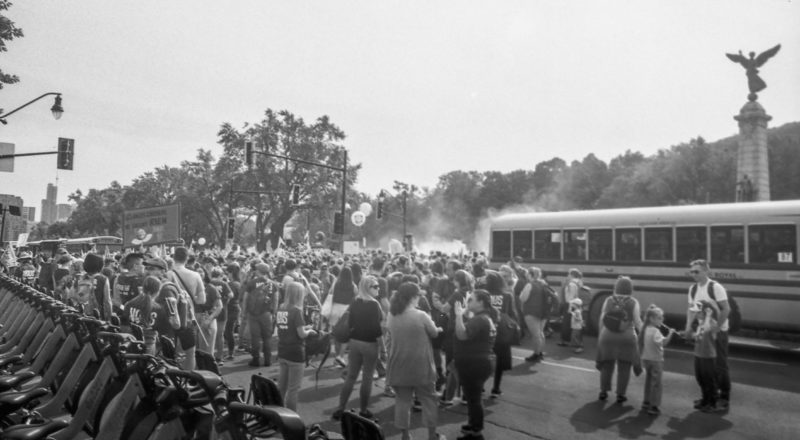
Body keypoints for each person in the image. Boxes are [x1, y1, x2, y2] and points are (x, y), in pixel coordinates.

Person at [386, 282, 445, 440]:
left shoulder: (392, 314)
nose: (420, 298)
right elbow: (433, 333)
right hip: (421, 365)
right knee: (429, 400)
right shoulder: (421, 315)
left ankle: (405, 436)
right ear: (413, 297)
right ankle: (432, 436)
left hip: (398, 363)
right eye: (419, 295)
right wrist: (438, 328)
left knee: (403, 402)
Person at [332, 275, 383, 421]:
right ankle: (364, 410)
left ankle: (340, 408)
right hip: (369, 344)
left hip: (355, 342)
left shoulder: (355, 302)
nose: (378, 288)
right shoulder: (374, 304)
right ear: (367, 287)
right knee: (367, 378)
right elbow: (377, 330)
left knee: (351, 377)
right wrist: (383, 348)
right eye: (375, 286)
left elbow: (351, 323)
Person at [684, 259, 732, 410]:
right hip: (702, 332)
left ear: (706, 271)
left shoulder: (715, 287)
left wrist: (717, 328)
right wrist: (688, 327)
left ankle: (723, 398)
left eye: (696, 271)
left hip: (718, 332)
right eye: (691, 272)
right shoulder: (693, 289)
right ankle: (707, 397)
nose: (693, 274)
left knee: (720, 365)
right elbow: (692, 309)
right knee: (704, 368)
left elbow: (726, 309)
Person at [453, 289, 496, 440]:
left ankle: (476, 431)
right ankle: (473, 424)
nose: (468, 301)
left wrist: (458, 316)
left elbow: (462, 335)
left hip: (475, 363)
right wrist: (465, 313)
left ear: (481, 303)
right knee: (473, 397)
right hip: (481, 362)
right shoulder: (484, 317)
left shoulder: (480, 319)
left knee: (474, 398)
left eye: (471, 299)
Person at [596, 276, 642, 404]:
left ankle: (603, 392)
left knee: (607, 364)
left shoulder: (609, 300)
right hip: (627, 337)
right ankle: (620, 395)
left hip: (607, 336)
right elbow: (637, 322)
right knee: (624, 366)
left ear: (616, 287)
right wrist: (645, 334)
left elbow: (602, 319)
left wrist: (601, 334)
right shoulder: (633, 302)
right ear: (630, 288)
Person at [276, 281, 317, 411]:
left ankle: (278, 411)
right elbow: (301, 334)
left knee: (281, 387)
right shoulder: (297, 310)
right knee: (293, 389)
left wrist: (305, 328)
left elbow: (288, 327)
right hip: (295, 352)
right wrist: (309, 331)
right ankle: (292, 418)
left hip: (282, 349)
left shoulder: (282, 307)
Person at [166, 247, 206, 371]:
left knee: (169, 352)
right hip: (188, 317)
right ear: (187, 258)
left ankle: (170, 377)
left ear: (173, 257)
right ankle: (188, 378)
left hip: (171, 316)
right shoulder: (195, 275)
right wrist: (189, 297)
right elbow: (201, 300)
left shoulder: (168, 274)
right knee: (190, 353)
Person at [639, 305, 677, 416]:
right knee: (657, 383)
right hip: (656, 360)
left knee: (649, 380)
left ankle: (646, 401)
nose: (662, 320)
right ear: (651, 319)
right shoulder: (655, 331)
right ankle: (653, 405)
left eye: (662, 317)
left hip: (646, 359)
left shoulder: (645, 329)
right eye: (659, 318)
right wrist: (670, 333)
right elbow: (663, 343)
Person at [483, 270, 515, 398]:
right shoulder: (507, 296)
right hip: (501, 332)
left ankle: (480, 386)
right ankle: (496, 388)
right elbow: (513, 314)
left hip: (484, 330)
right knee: (500, 361)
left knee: (483, 358)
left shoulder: (483, 295)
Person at [243, 263, 279, 367]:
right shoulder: (273, 284)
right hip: (266, 314)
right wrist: (274, 313)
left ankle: (256, 359)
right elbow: (275, 300)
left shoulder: (251, 283)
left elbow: (246, 298)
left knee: (255, 337)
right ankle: (267, 360)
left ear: (258, 271)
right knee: (267, 338)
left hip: (253, 314)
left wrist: (244, 312)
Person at [690, 300, 721, 413]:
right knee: (700, 378)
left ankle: (712, 403)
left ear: (706, 312)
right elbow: (700, 336)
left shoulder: (711, 323)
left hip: (708, 357)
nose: (696, 314)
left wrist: (708, 316)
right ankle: (705, 399)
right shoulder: (701, 323)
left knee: (709, 380)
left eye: (698, 312)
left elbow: (707, 329)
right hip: (699, 355)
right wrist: (693, 335)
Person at [326, 265, 357, 367]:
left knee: (336, 334)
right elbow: (355, 298)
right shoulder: (353, 285)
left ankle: (336, 356)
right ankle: (341, 356)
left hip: (335, 308)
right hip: (346, 311)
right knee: (345, 335)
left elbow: (330, 294)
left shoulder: (336, 283)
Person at [125, 276, 162, 355]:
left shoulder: (129, 304)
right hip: (149, 347)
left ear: (143, 288)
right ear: (157, 292)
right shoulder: (158, 308)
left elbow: (124, 325)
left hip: (132, 344)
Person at [519, 267, 548, 362]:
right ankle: (540, 352)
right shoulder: (543, 284)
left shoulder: (529, 285)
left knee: (535, 335)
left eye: (528, 273)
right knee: (540, 333)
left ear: (531, 275)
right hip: (543, 312)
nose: (526, 275)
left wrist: (521, 294)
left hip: (531, 312)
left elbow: (523, 298)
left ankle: (536, 354)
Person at [558, 269, 583, 346]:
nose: (567, 275)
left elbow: (569, 297)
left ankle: (566, 341)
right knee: (575, 324)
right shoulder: (579, 282)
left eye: (568, 274)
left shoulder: (571, 284)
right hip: (576, 305)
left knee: (566, 323)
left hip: (570, 305)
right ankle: (576, 342)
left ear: (572, 275)